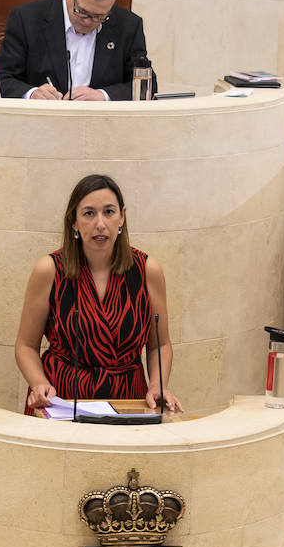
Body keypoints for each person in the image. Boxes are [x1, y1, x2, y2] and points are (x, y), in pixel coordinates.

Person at [15, 174, 183, 417]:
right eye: (89, 213)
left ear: (122, 217)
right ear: (73, 221)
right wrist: (39, 383)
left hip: (127, 401)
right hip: (61, 400)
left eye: (109, 212)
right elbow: (26, 345)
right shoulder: (49, 270)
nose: (100, 224)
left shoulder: (148, 270)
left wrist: (158, 385)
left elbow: (160, 344)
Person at [0, 0, 150, 102]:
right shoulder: (26, 18)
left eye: (99, 16)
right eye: (81, 11)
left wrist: (103, 95)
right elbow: (2, 78)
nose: (88, 21)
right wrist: (32, 93)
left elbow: (146, 86)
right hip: (39, 122)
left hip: (102, 124)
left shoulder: (128, 25)